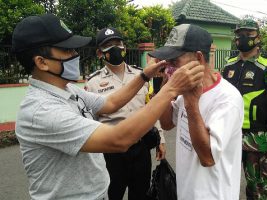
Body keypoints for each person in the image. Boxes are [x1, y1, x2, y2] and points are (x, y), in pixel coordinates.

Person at [12, 14, 204, 200]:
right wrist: (170, 89)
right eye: (67, 51)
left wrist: (144, 76)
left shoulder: (67, 89)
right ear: (42, 62)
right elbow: (119, 139)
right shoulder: (42, 110)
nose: (75, 55)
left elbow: (110, 103)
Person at [148, 23, 244, 200]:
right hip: (186, 191)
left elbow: (208, 158)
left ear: (199, 59)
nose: (169, 67)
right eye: (167, 62)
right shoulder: (185, 89)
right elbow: (167, 123)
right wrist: (166, 87)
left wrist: (192, 105)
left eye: (174, 61)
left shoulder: (227, 99)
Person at [85, 27, 166, 200]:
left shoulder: (141, 75)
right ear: (100, 53)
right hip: (111, 152)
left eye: (118, 43)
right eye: (108, 45)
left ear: (125, 48)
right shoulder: (93, 82)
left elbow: (150, 107)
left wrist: (160, 138)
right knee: (112, 194)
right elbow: (90, 121)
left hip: (141, 147)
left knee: (141, 194)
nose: (115, 48)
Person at [222, 18, 267, 200]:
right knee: (222, 183)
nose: (243, 38)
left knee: (257, 190)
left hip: (258, 139)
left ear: (258, 37)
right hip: (228, 137)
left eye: (248, 34)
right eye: (239, 34)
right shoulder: (228, 65)